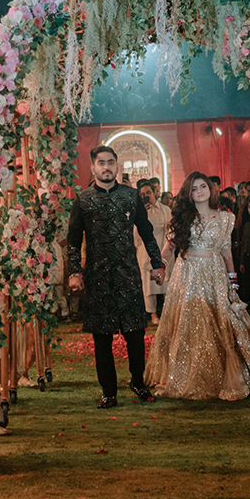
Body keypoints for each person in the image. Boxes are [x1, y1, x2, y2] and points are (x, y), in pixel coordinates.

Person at [144, 173, 250, 400]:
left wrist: (233, 282)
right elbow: (169, 247)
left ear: (211, 189)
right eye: (195, 189)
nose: (200, 191)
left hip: (214, 273)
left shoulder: (225, 218)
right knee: (190, 323)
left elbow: (226, 252)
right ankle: (189, 375)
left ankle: (226, 374)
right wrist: (161, 266)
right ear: (189, 193)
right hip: (187, 274)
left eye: (203, 186)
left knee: (222, 321)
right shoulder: (183, 219)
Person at [67, 146, 164, 408]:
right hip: (97, 277)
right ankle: (108, 391)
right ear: (93, 167)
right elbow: (73, 240)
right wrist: (75, 272)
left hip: (128, 275)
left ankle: (138, 382)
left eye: (111, 162)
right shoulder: (83, 199)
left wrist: (157, 264)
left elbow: (146, 231)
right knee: (102, 338)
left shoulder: (131, 197)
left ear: (117, 166)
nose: (106, 167)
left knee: (135, 334)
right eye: (101, 163)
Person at [135, 181, 171, 324]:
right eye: (142, 194)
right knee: (149, 284)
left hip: (164, 248)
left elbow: (172, 228)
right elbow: (134, 233)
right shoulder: (139, 211)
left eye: (148, 193)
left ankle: (167, 311)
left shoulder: (165, 209)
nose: (146, 196)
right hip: (146, 251)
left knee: (166, 281)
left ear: (154, 192)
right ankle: (153, 313)